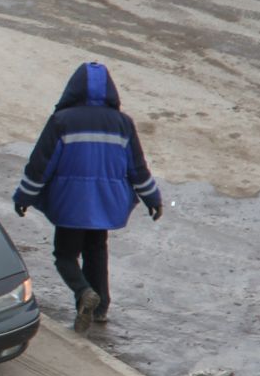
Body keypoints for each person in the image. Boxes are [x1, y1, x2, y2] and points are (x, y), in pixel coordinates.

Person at [12, 61, 162, 330]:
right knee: (97, 250)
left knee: (65, 255)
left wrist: (24, 196)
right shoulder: (122, 124)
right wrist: (153, 199)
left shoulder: (62, 121)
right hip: (106, 202)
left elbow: (40, 165)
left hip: (70, 202)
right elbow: (137, 168)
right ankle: (101, 307)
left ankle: (83, 292)